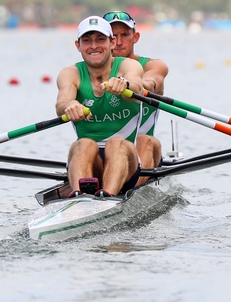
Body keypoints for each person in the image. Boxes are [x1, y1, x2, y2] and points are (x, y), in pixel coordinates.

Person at [56, 15, 145, 198]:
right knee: (84, 143)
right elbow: (61, 104)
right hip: (87, 157)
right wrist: (70, 105)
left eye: (100, 39)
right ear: (78, 45)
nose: (94, 46)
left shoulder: (128, 65)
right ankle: (80, 197)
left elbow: (137, 86)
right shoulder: (70, 73)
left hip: (126, 162)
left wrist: (125, 84)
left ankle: (108, 196)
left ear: (112, 43)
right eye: (87, 40)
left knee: (116, 143)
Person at [103, 11, 169, 178]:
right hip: (107, 151)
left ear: (135, 37)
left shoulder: (153, 65)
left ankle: (133, 188)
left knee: (145, 140)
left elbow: (151, 82)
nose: (118, 42)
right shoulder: (92, 71)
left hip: (144, 150)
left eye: (125, 35)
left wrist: (134, 85)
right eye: (113, 36)